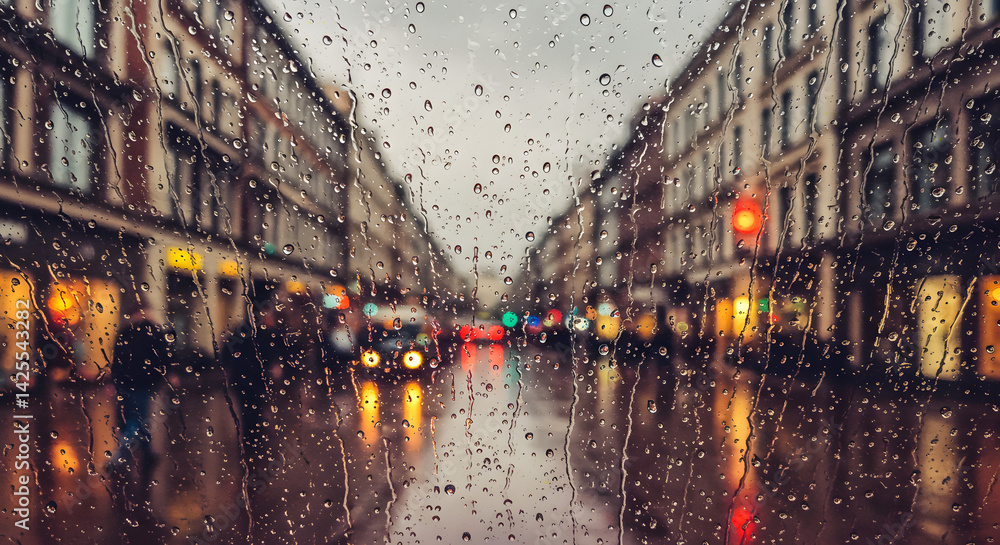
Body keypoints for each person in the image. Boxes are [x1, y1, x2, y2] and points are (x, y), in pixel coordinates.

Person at [108, 298, 171, 482]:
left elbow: (162, 356)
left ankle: (124, 455)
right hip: (134, 383)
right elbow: (118, 359)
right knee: (136, 419)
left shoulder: (145, 332)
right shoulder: (132, 332)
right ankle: (143, 454)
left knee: (134, 418)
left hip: (139, 383)